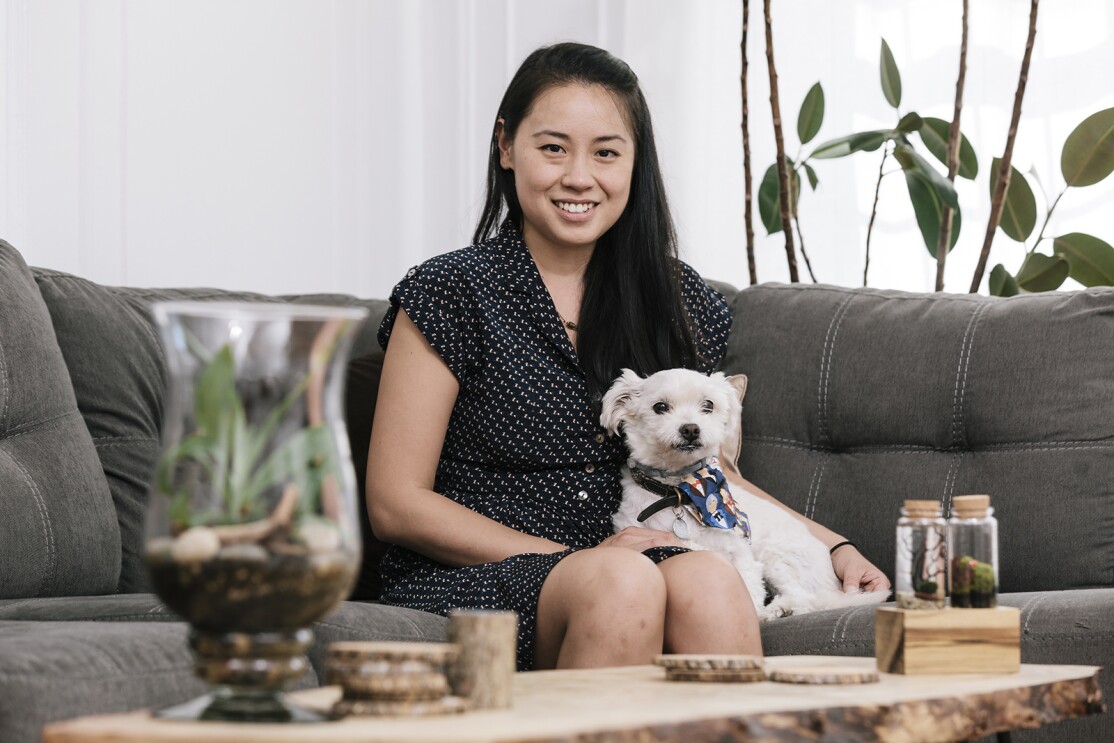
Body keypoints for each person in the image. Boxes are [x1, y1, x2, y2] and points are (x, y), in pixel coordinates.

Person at [367, 42, 889, 672]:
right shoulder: (450, 290)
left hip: (633, 554)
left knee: (711, 579)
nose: (578, 177)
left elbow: (706, 473)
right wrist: (577, 560)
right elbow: (396, 503)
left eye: (606, 152)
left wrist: (833, 546)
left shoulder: (678, 300)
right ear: (506, 146)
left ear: (636, 162)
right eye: (552, 147)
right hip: (479, 573)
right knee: (623, 581)